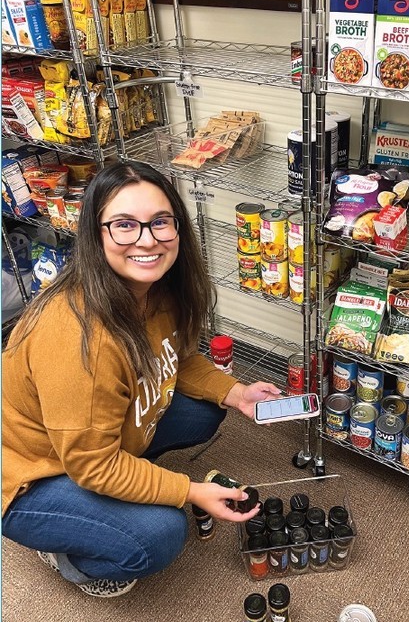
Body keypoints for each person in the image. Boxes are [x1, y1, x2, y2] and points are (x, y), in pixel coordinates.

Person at [2, 161, 281, 598]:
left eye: (160, 222)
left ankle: (119, 490)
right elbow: (92, 464)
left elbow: (175, 359)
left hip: (82, 441)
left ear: (177, 228)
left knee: (205, 411)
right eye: (124, 225)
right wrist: (187, 491)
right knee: (160, 533)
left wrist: (236, 392)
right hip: (29, 474)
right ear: (96, 235)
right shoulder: (80, 339)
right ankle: (66, 553)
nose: (147, 240)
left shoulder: (155, 288)